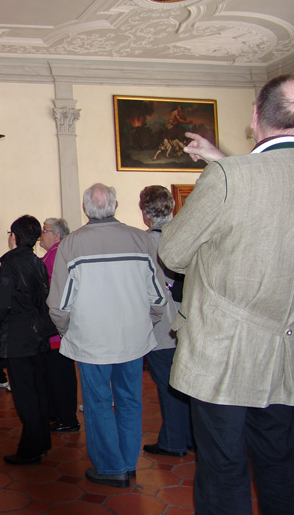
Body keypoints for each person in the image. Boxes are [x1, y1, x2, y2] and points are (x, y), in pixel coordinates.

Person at [159, 74, 294, 514]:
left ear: (255, 116)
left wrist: (223, 170)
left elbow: (173, 252)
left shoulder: (228, 177)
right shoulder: (232, 172)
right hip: (286, 351)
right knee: (280, 465)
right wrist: (224, 162)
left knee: (224, 469)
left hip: (226, 351)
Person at [47, 184, 166, 488]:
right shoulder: (141, 239)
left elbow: (59, 304)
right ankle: (128, 461)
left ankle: (111, 468)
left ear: (87, 209)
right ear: (115, 205)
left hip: (91, 340)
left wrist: (68, 331)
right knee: (130, 400)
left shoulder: (71, 244)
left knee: (98, 402)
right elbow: (158, 296)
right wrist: (146, 324)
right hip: (133, 337)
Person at [0, 215, 54, 465]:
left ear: (13, 237)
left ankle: (30, 449)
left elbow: (0, 303)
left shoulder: (10, 265)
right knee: (38, 391)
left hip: (18, 336)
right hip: (37, 334)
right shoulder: (38, 262)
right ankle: (41, 441)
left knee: (25, 395)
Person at [139, 186, 193, 458]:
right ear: (172, 207)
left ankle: (173, 441)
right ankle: (192, 436)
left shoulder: (145, 241)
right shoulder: (187, 233)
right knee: (186, 382)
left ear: (145, 212)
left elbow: (144, 284)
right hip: (190, 317)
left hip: (163, 321)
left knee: (168, 384)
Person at [39, 217, 80, 433]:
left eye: (45, 230)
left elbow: (52, 292)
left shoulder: (57, 254)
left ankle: (67, 418)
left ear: (57, 235)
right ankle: (58, 413)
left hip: (56, 326)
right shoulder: (53, 253)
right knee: (55, 372)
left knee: (61, 373)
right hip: (56, 326)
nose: (41, 234)